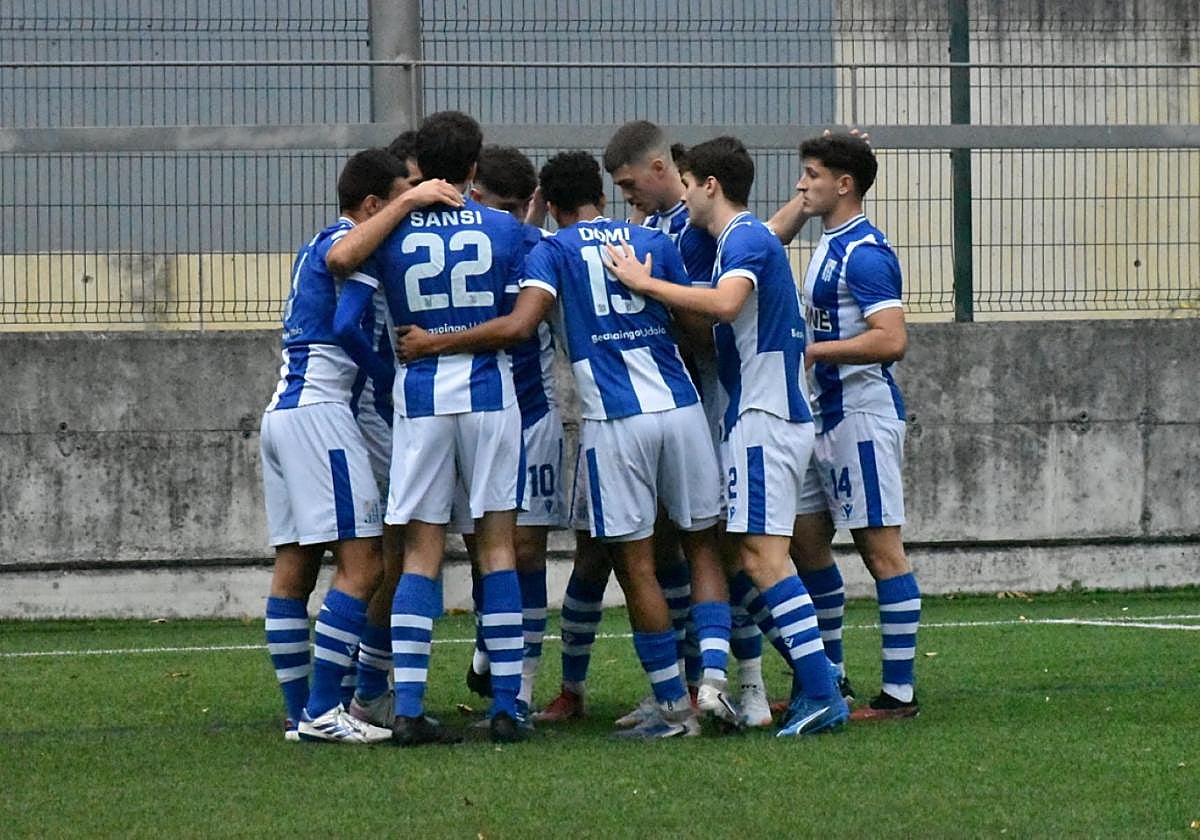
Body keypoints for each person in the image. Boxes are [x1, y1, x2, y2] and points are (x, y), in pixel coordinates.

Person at [396, 150, 731, 738]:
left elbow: (521, 326)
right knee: (702, 549)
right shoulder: (650, 242)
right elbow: (698, 327)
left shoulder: (550, 250)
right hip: (682, 410)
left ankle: (675, 710)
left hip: (617, 422)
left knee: (637, 567)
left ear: (548, 206)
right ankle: (714, 687)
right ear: (602, 196)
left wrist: (435, 342)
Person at [603, 135, 849, 737]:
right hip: (761, 417)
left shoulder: (743, 238)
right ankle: (816, 687)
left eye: (687, 186)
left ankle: (823, 691)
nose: (682, 198)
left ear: (708, 185)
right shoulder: (741, 240)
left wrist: (646, 283)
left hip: (764, 419)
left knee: (764, 561)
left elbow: (724, 302)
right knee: (752, 557)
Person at [260, 148, 457, 743]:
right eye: (403, 193)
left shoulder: (317, 240)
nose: (414, 199)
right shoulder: (343, 238)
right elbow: (345, 300)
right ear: (375, 204)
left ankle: (303, 714)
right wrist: (389, 377)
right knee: (365, 562)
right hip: (320, 412)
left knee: (294, 568)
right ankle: (324, 711)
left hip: (286, 410)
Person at [349, 111, 532, 746]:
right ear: (476, 169)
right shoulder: (506, 227)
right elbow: (526, 311)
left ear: (418, 167)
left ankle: (407, 708)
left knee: (420, 551)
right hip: (488, 390)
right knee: (497, 545)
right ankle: (508, 704)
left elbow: (345, 262)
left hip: (420, 399)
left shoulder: (391, 231)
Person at [600, 119, 775, 728]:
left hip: (716, 401)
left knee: (729, 547)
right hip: (674, 405)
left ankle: (749, 684)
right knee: (674, 543)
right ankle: (682, 683)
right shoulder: (655, 229)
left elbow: (715, 315)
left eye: (630, 185)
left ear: (660, 170)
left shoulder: (701, 229)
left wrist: (654, 298)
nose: (628, 200)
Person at [780, 132, 921, 720]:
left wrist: (819, 353)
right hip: (823, 417)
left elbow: (893, 339)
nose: (801, 183)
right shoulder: (830, 242)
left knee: (881, 550)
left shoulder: (864, 251)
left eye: (811, 174)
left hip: (861, 417)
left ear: (843, 185)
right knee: (806, 541)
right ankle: (830, 676)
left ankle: (898, 695)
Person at [450, 145, 563, 729]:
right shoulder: (457, 248)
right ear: (475, 197)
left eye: (524, 207)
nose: (514, 217)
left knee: (525, 551)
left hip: (534, 416)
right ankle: (490, 640)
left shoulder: (535, 248)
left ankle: (516, 691)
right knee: (483, 550)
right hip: (474, 412)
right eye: (504, 206)